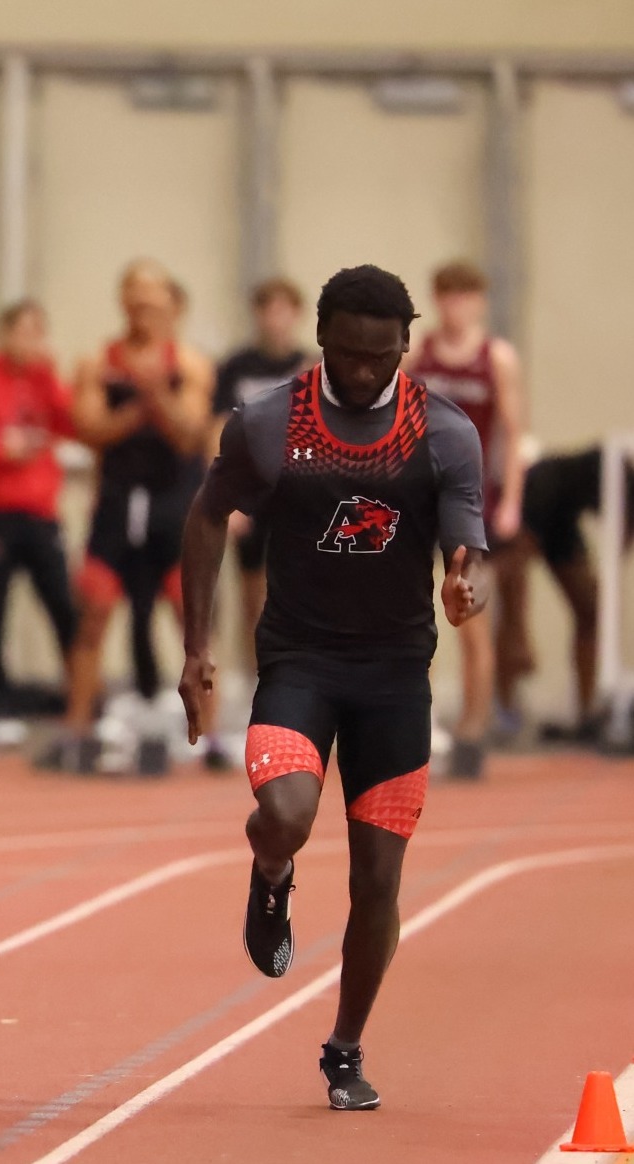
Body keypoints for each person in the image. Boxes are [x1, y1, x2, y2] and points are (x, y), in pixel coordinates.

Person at [178, 264, 487, 1111]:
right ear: (322, 342)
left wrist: (467, 586)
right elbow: (207, 516)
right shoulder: (270, 422)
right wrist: (197, 646)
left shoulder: (445, 432)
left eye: (380, 355)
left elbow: (468, 546)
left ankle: (345, 1047)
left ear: (405, 345)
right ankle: (271, 875)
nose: (363, 370)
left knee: (377, 882)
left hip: (394, 677)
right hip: (300, 662)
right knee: (283, 813)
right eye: (347, 354)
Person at [45, 259, 214, 774]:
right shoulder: (99, 362)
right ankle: (77, 726)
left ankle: (206, 735)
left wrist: (155, 391)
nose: (143, 306)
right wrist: (140, 407)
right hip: (117, 504)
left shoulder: (190, 362)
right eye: (134, 296)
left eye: (152, 296)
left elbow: (190, 433)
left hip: (174, 505)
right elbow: (87, 427)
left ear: (169, 303)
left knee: (191, 619)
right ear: (123, 301)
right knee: (93, 611)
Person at [403, 259, 526, 777]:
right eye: (447, 297)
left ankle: (475, 728)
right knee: (410, 613)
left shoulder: (495, 356)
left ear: (478, 301)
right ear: (438, 301)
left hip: (473, 499)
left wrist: (512, 500)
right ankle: (409, 725)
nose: (456, 307)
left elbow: (513, 433)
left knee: (472, 619)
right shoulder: (421, 355)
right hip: (419, 498)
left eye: (466, 297)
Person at [0, 299, 77, 717]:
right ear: (5, 333)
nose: (31, 341)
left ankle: (80, 685)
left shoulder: (44, 379)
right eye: (23, 331)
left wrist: (56, 382)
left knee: (63, 603)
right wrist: (0, 451)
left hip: (40, 513)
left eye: (37, 332)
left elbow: (72, 426)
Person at [497, 445, 634, 739]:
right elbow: (516, 571)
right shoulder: (555, 482)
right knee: (510, 584)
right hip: (538, 492)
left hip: (563, 515)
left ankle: (586, 711)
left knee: (592, 610)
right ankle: (504, 705)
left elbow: (620, 548)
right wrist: (521, 634)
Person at [212, 277, 311, 681]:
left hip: (297, 492)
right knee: (253, 593)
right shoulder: (236, 367)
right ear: (258, 315)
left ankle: (296, 678)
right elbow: (220, 430)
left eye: (284, 310)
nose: (276, 319)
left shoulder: (312, 367)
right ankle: (257, 681)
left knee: (295, 592)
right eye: (268, 310)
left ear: (296, 314)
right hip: (253, 489)